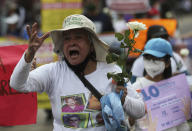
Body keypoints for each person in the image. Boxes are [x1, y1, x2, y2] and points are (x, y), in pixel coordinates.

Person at [10, 14, 145, 130]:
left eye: (78, 37)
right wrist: (29, 54)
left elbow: (140, 111)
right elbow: (17, 84)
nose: (72, 43)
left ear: (91, 45)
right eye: (67, 39)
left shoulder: (112, 71)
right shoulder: (53, 72)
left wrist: (123, 100)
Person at [132, 38, 191, 131]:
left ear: (167, 63)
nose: (151, 62)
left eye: (156, 59)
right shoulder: (136, 88)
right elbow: (129, 122)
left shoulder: (176, 86)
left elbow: (183, 125)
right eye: (147, 58)